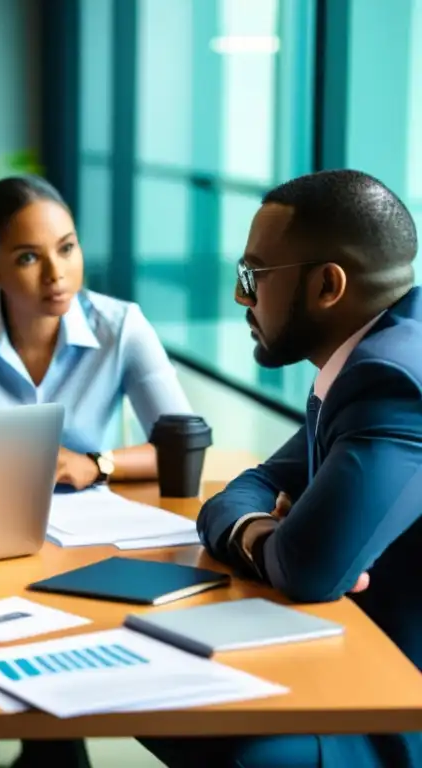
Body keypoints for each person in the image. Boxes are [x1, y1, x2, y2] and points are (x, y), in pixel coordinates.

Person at [0, 175, 193, 768]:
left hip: (87, 538)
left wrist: (98, 463)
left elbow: (184, 442)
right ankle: (48, 743)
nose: (56, 274)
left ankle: (50, 744)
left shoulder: (120, 325)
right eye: (28, 257)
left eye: (67, 247)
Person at [141, 169, 422, 767]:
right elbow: (248, 489)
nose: (241, 297)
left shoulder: (393, 381)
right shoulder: (369, 360)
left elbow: (309, 568)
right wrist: (262, 530)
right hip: (345, 652)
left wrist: (283, 542)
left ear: (327, 286)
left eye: (254, 276)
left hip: (394, 700)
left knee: (176, 716)